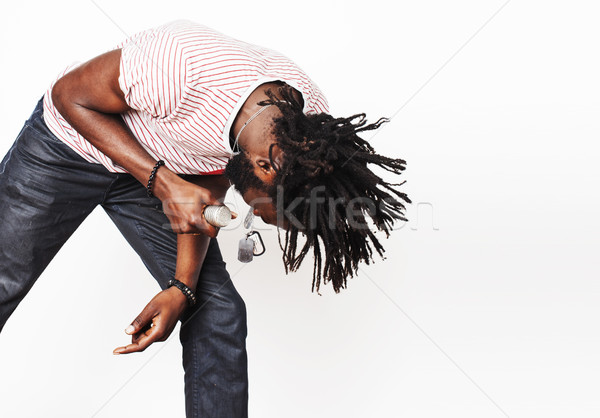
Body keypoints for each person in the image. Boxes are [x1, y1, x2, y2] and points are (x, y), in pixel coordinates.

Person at [0, 20, 409, 417]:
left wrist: (182, 286)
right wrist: (162, 182)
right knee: (5, 279)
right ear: (266, 168)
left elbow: (211, 176)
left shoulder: (304, 128)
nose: (258, 220)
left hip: (164, 172)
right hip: (70, 145)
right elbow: (68, 95)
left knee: (217, 312)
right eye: (268, 215)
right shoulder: (180, 68)